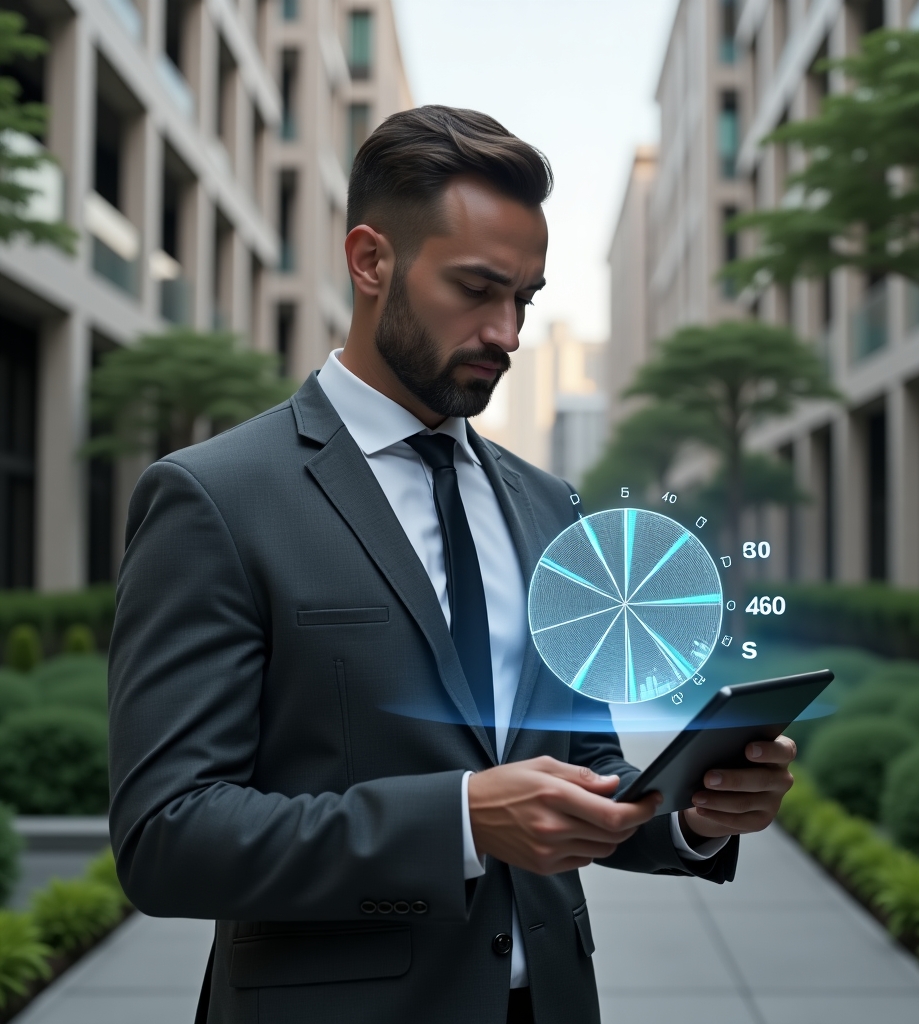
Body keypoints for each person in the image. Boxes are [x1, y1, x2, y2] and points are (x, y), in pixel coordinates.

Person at [107, 105, 796, 1024]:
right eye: (477, 289)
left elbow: (580, 761)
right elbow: (165, 836)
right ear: (370, 261)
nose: (507, 332)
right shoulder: (215, 498)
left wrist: (692, 815)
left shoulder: (549, 505)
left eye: (525, 300)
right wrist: (460, 821)